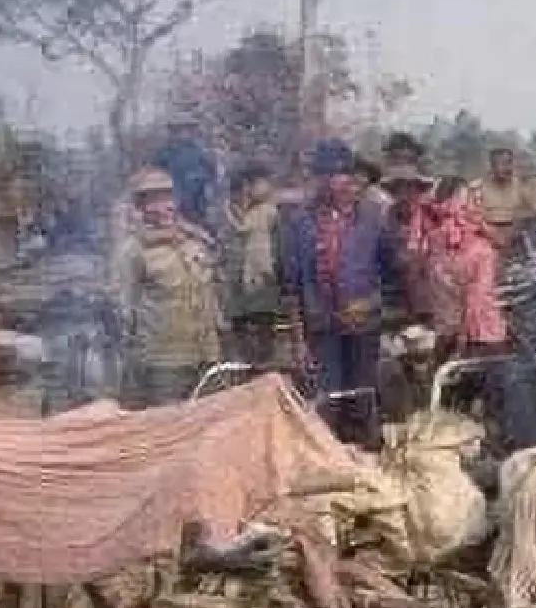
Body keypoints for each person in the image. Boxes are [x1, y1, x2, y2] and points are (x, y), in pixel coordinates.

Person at [277, 140, 400, 442]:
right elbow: (291, 285)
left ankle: (367, 462)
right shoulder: (300, 223)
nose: (338, 181)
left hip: (363, 325)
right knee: (326, 401)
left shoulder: (373, 219)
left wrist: (374, 300)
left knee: (363, 396)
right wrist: (299, 340)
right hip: (322, 327)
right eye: (330, 174)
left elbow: (390, 271)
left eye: (344, 174)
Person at [113, 167, 224, 408]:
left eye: (167, 197)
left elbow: (213, 292)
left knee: (209, 427)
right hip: (163, 362)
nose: (163, 206)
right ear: (140, 207)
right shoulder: (133, 251)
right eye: (152, 200)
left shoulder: (196, 241)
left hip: (206, 355)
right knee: (168, 429)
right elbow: (123, 309)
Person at [415, 176, 507, 360]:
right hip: (463, 334)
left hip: (473, 335)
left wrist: (460, 336)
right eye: (465, 201)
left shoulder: (479, 248)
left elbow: (477, 298)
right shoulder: (436, 244)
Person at [221, 162, 282, 366]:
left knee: (264, 333)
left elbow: (279, 246)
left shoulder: (269, 212)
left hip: (262, 282)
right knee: (240, 337)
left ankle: (264, 370)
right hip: (234, 285)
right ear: (247, 185)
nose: (268, 188)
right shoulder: (223, 214)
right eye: (263, 183)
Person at [151, 115, 220, 233]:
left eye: (187, 129)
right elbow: (155, 179)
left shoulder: (202, 154)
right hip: (172, 205)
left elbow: (211, 179)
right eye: (178, 130)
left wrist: (208, 203)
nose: (183, 133)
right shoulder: (164, 155)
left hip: (197, 206)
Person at [471, 146, 536, 251]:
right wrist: (491, 234)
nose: (505, 168)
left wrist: (513, 232)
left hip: (515, 237)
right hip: (485, 239)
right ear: (492, 166)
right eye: (500, 164)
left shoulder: (522, 186)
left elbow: (531, 213)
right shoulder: (477, 187)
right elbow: (472, 217)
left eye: (508, 163)